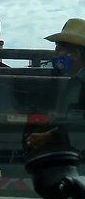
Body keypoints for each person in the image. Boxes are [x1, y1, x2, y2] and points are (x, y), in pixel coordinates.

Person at [25, 18, 85, 151]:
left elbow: (79, 125)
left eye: (58, 49)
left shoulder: (80, 83)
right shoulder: (72, 80)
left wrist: (48, 136)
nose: (55, 55)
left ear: (75, 54)